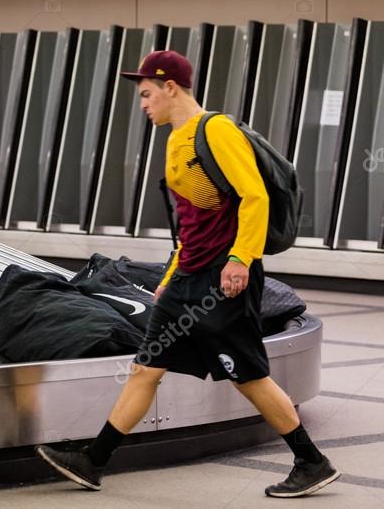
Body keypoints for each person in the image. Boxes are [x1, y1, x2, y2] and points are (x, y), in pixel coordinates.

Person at [36, 50, 339, 498]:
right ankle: (93, 460)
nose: (142, 104)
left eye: (146, 94)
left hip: (222, 279)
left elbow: (254, 196)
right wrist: (172, 274)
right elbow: (193, 221)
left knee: (248, 375)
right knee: (145, 369)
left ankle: (310, 461)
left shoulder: (214, 130)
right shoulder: (175, 138)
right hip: (188, 278)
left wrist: (241, 260)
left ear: (170, 87)